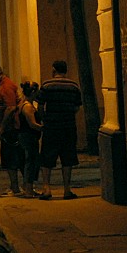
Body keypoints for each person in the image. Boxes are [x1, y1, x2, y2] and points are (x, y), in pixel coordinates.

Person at [37, 60, 83, 200]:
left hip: (51, 126)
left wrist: (44, 118)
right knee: (67, 158)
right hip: (68, 126)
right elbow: (77, 106)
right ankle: (67, 190)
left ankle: (47, 188)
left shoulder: (47, 85)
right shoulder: (74, 86)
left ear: (53, 70)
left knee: (47, 157)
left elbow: (40, 104)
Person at [0, 64, 25, 197]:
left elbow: (10, 108)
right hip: (11, 128)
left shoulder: (6, 86)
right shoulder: (2, 85)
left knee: (11, 159)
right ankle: (20, 186)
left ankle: (16, 188)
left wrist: (1, 128)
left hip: (11, 128)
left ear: (0, 74)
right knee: (16, 158)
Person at [18, 81, 44, 197]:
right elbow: (32, 124)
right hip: (29, 136)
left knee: (30, 161)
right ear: (33, 92)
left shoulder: (25, 104)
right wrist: (44, 128)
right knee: (31, 161)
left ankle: (28, 188)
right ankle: (28, 189)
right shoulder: (28, 106)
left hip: (27, 136)